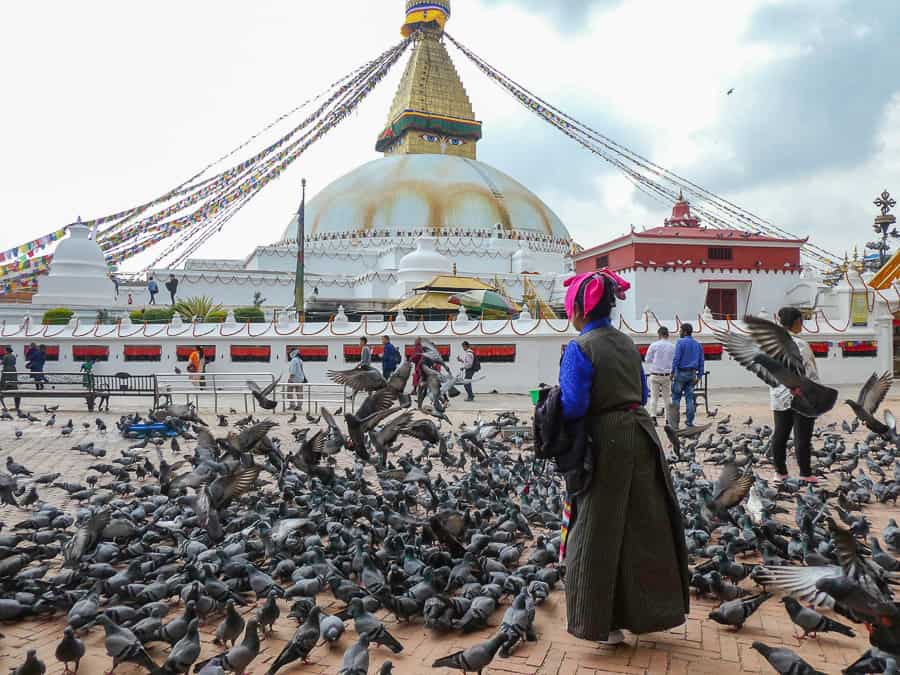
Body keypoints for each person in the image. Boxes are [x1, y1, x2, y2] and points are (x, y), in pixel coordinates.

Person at [558, 270, 688, 645]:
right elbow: (643, 392)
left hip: (605, 440)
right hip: (641, 435)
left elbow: (574, 404)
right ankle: (646, 614)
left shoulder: (580, 348)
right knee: (643, 527)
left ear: (580, 309)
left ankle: (602, 624)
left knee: (596, 529)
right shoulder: (628, 344)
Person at [770, 307, 820, 484]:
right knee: (802, 436)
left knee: (780, 435)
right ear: (797, 322)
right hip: (802, 395)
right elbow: (810, 373)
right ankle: (805, 473)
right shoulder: (800, 344)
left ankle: (780, 472)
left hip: (779, 395)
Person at [670, 323, 704, 428]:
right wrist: (699, 376)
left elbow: (676, 358)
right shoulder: (698, 344)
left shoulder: (680, 342)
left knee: (676, 399)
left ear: (684, 332)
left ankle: (675, 424)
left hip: (681, 373)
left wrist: (672, 372)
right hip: (692, 374)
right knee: (689, 399)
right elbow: (701, 361)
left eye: (680, 330)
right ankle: (689, 422)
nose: (679, 332)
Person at [644, 327, 675, 420]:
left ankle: (653, 417)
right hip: (667, 375)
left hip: (655, 374)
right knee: (667, 398)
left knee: (654, 397)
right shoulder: (672, 346)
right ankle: (668, 419)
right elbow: (674, 360)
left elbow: (647, 359)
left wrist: (656, 360)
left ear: (659, 334)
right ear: (667, 335)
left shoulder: (654, 345)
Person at [1, 346, 21, 413]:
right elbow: (14, 363)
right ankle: (17, 407)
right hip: (13, 371)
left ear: (7, 351)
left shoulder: (5, 356)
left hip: (6, 372)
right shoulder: (13, 356)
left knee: (2, 388)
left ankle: (4, 407)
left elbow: (3, 362)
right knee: (15, 389)